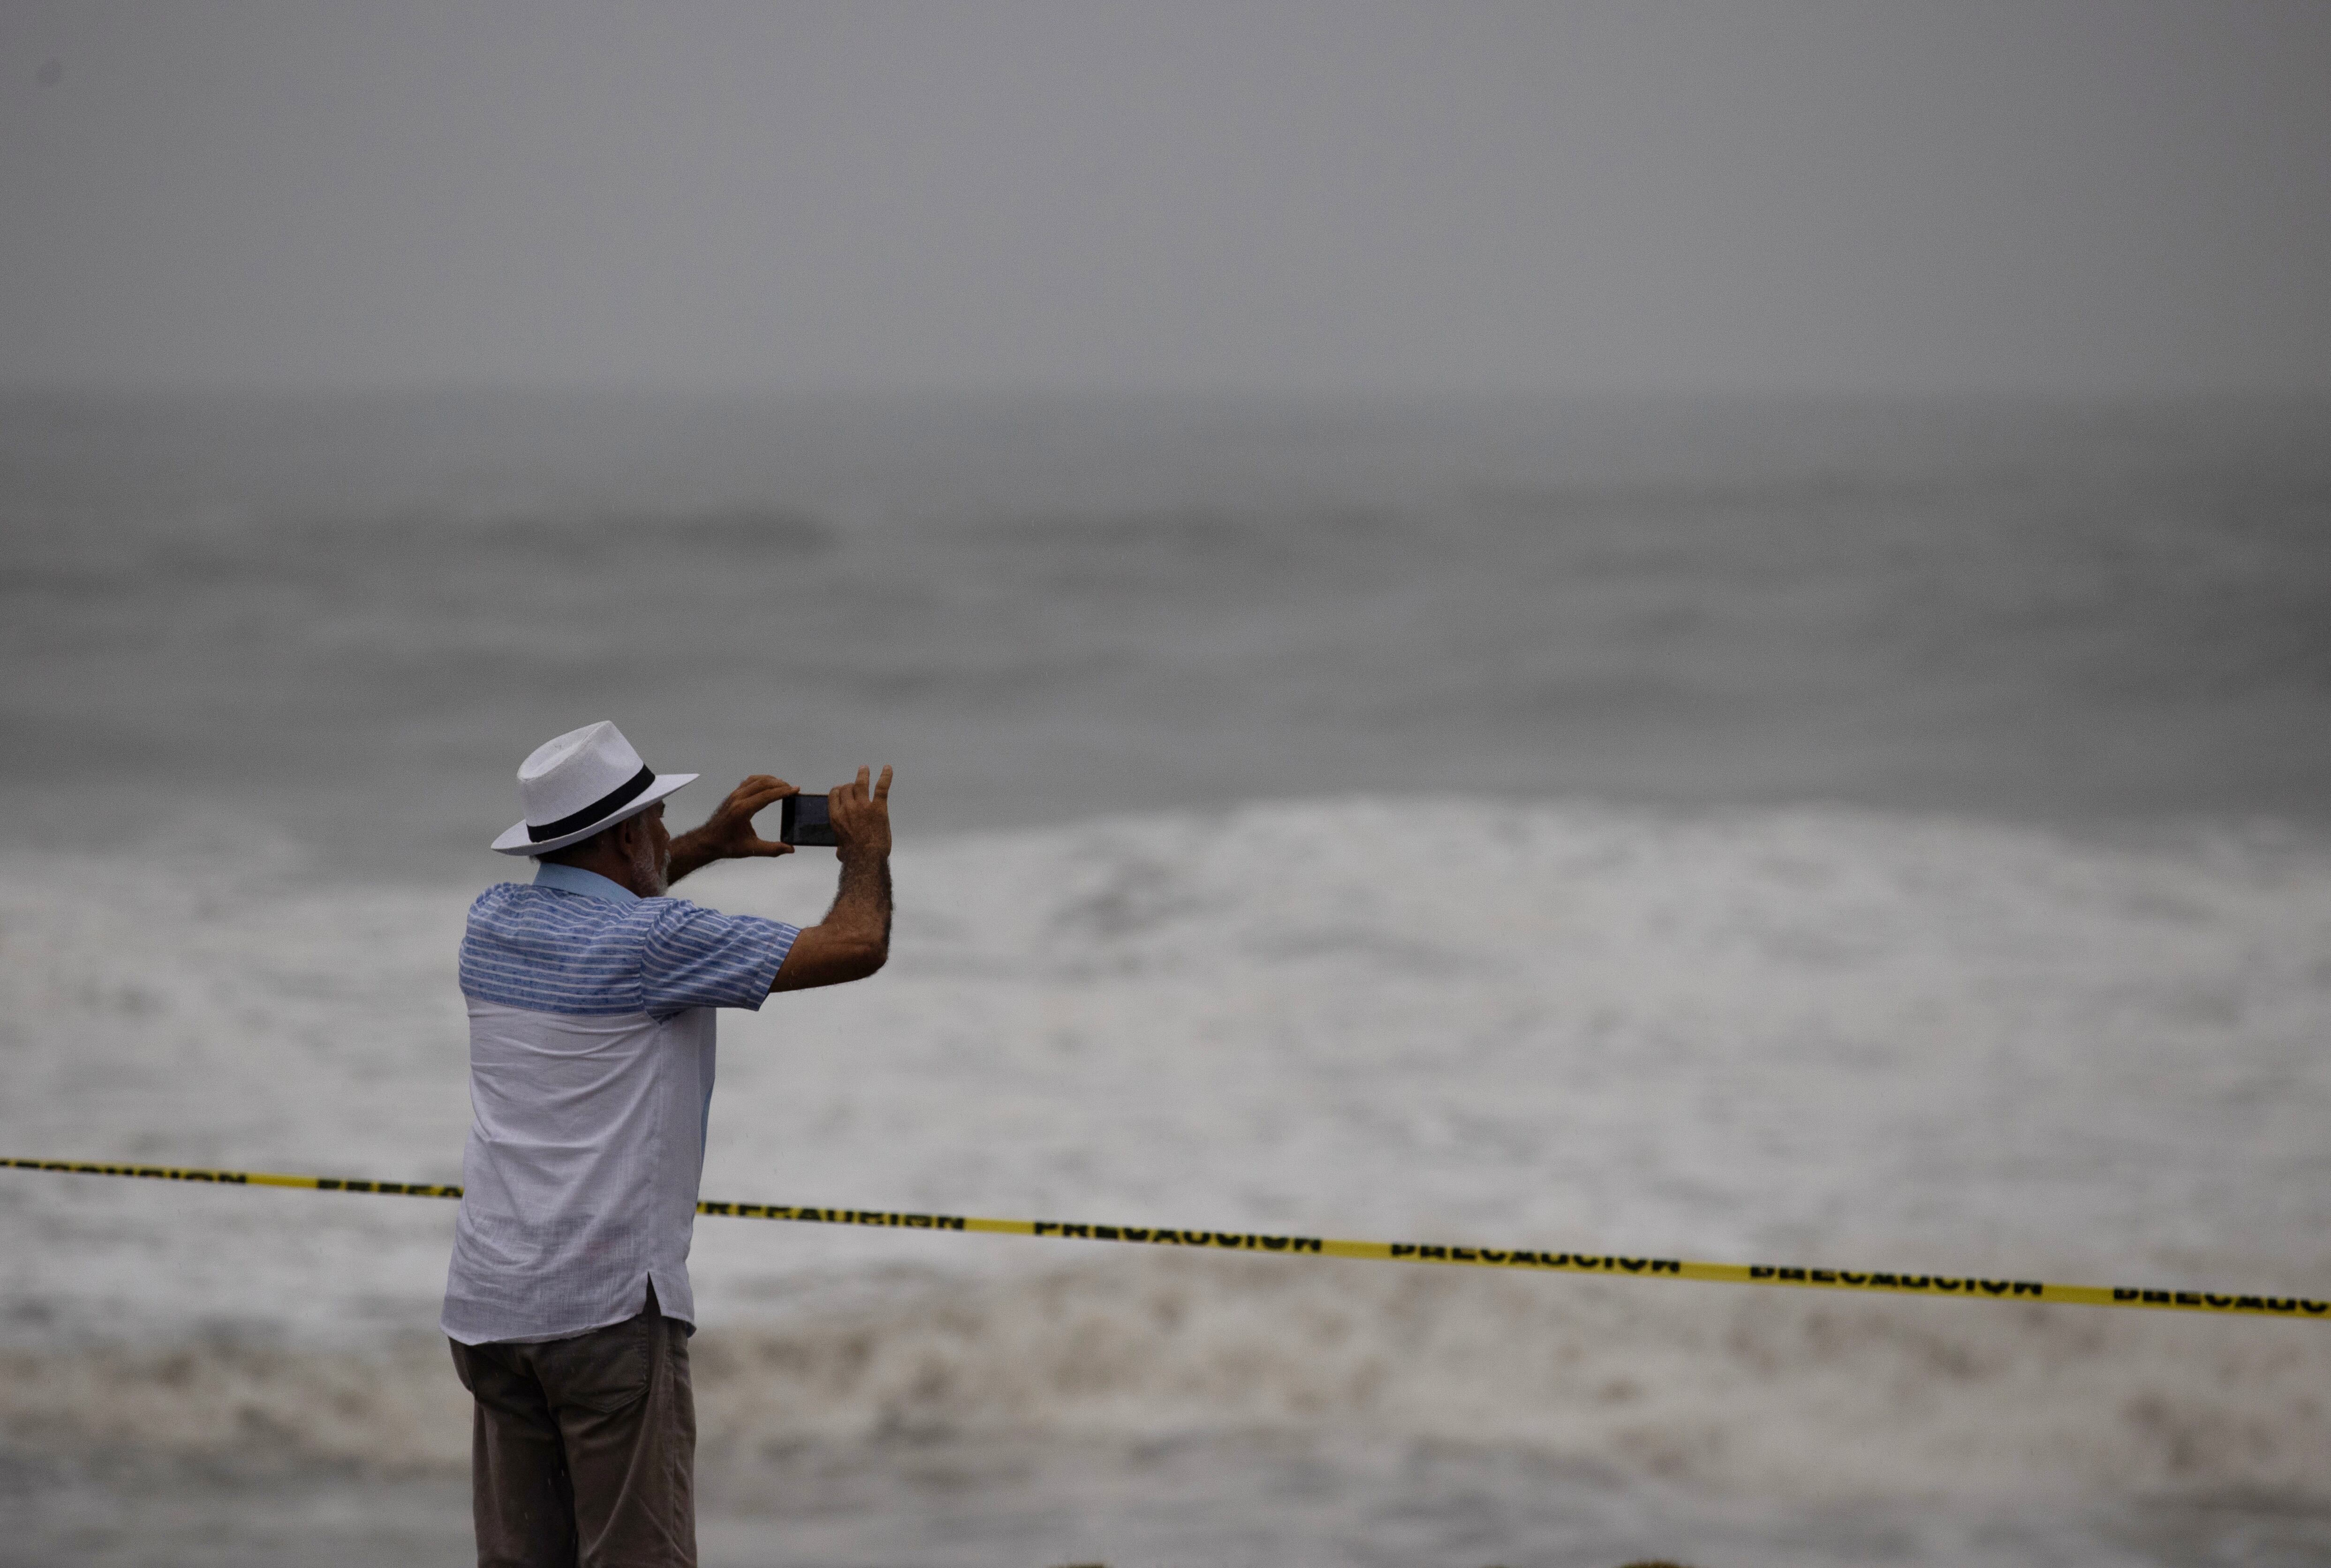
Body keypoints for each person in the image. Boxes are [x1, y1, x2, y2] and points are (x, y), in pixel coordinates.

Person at [441, 720, 892, 1568]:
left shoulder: (491, 923)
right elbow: (856, 946)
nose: (661, 832)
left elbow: (604, 893)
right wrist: (862, 853)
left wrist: (706, 846)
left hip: (490, 1306)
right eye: (654, 819)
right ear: (621, 835)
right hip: (604, 1307)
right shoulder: (660, 944)